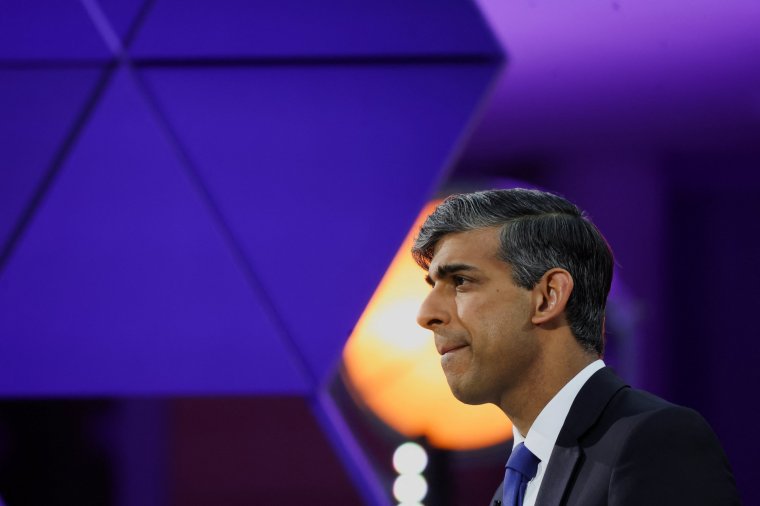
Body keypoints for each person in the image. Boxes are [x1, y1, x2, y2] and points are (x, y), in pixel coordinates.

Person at [412, 188, 740, 506]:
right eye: (432, 286)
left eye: (461, 282)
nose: (426, 315)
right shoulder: (513, 485)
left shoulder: (656, 442)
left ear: (548, 296)